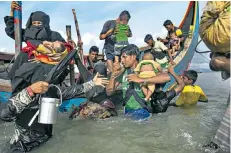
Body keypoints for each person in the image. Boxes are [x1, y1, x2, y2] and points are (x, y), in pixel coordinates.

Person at [0, 65, 109, 153]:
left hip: (44, 140)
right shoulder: (22, 95)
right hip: (21, 145)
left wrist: (93, 83)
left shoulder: (52, 90)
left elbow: (74, 90)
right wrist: (30, 91)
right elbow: (5, 114)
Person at [106, 44, 172, 120]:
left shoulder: (145, 68)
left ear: (133, 57)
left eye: (124, 57)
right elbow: (109, 92)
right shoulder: (123, 72)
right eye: (121, 58)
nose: (122, 61)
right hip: (127, 111)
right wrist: (113, 76)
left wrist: (141, 80)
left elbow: (167, 77)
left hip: (143, 111)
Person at [4, 1, 66, 79]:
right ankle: (11, 83)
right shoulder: (27, 33)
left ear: (45, 23)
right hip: (26, 64)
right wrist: (12, 11)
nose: (36, 25)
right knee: (23, 55)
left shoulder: (54, 35)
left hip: (46, 68)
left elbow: (64, 52)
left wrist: (43, 58)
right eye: (34, 23)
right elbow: (12, 30)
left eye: (39, 23)